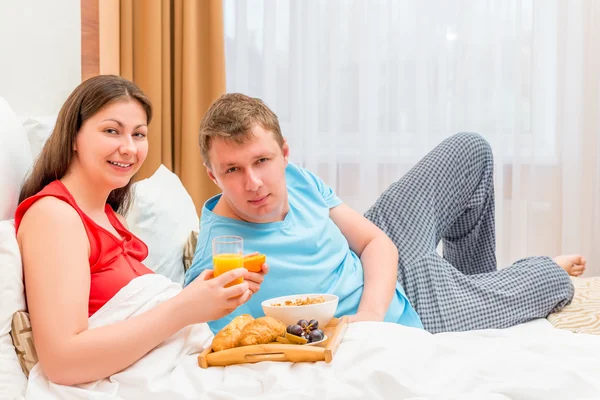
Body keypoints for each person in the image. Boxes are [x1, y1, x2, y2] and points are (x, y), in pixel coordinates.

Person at [185, 93, 585, 335]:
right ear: (212, 175)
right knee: (549, 284)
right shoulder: (221, 255)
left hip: (379, 265)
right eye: (233, 170)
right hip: (415, 306)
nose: (253, 183)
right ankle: (521, 276)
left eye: (262, 160)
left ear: (285, 154)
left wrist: (370, 311)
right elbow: (203, 324)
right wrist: (374, 320)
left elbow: (375, 240)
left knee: (471, 151)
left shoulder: (298, 180)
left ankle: (476, 280)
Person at [15, 75, 267, 386]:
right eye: (112, 131)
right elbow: (63, 361)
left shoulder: (108, 216)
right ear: (73, 137)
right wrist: (186, 308)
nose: (129, 148)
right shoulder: (54, 216)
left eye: (139, 134)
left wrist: (211, 296)